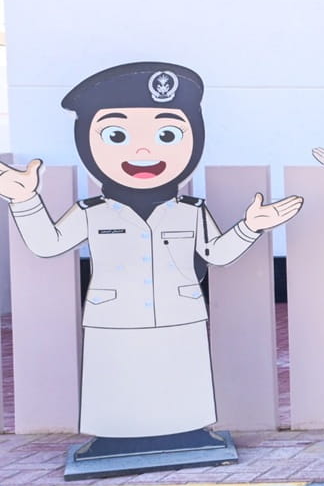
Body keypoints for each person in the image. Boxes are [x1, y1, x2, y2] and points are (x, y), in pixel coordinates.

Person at [0, 62, 303, 457]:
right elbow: (48, 244)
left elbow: (217, 253)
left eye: (166, 134)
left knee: (180, 377)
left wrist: (251, 225)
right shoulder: (92, 211)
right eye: (116, 134)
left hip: (180, 313)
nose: (143, 151)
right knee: (116, 378)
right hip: (114, 317)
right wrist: (25, 201)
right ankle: (112, 438)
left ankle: (191, 433)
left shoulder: (190, 210)